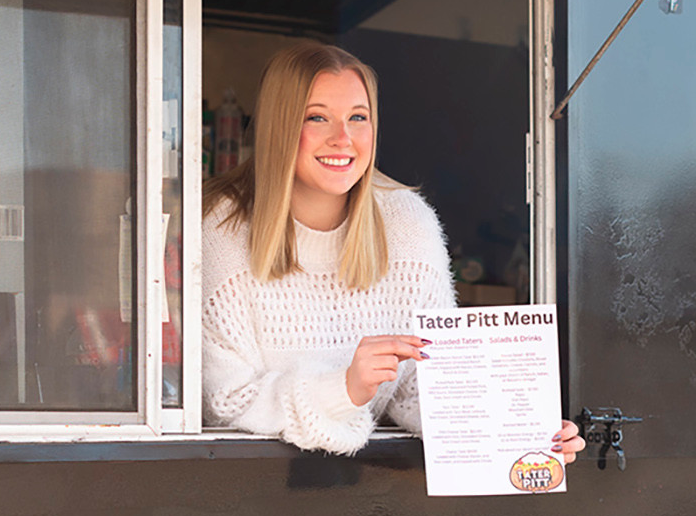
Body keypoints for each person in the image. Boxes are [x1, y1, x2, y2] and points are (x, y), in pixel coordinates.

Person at [200, 42, 585, 461]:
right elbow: (224, 402)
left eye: (358, 118)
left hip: (372, 492)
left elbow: (424, 387)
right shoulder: (222, 227)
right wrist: (343, 389)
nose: (342, 139)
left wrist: (524, 431)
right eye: (317, 117)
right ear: (279, 125)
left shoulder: (407, 222)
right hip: (253, 491)